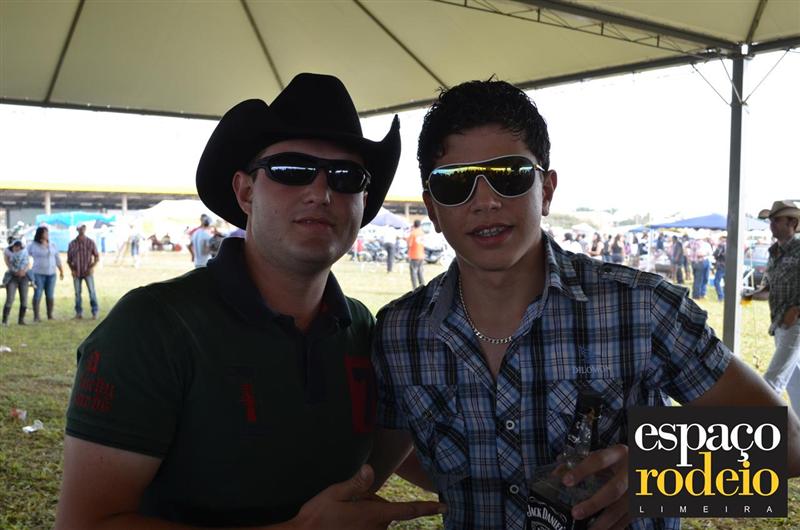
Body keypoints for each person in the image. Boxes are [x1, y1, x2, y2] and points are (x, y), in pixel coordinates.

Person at [368, 79, 800, 530]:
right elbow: (376, 460)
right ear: (432, 209)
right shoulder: (400, 333)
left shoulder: (643, 309)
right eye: (455, 183)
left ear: (547, 191)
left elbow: (788, 444)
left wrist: (661, 473)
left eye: (510, 175)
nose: (486, 201)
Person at [55, 73, 443, 530]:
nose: (321, 193)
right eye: (291, 170)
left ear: (362, 200)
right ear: (245, 192)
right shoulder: (153, 327)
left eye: (347, 177)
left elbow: (391, 447)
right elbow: (85, 523)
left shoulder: (361, 328)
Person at [748, 200, 800, 413]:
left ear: (793, 223)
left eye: (777, 220)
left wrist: (797, 309)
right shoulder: (774, 252)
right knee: (794, 381)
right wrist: (753, 295)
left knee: (772, 381)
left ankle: (752, 425)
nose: (772, 225)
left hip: (796, 324)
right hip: (779, 324)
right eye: (771, 220)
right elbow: (769, 288)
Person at [28, 226, 65, 321]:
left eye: (47, 233)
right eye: (45, 233)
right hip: (38, 273)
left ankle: (50, 315)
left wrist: (61, 270)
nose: (47, 235)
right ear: (40, 234)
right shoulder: (33, 245)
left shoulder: (52, 244)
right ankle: (36, 316)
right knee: (38, 293)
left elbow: (57, 258)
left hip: (51, 273)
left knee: (50, 294)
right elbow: (25, 255)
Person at [66, 224, 100, 320]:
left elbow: (96, 256)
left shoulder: (90, 242)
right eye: (80, 228)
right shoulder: (72, 244)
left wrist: (92, 267)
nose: (82, 230)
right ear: (77, 230)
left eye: (83, 228)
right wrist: (72, 270)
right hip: (77, 272)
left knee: (92, 292)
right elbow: (69, 260)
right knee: (77, 293)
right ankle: (78, 312)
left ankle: (95, 312)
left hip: (87, 271)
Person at [2, 240, 31, 325]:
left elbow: (28, 263)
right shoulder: (8, 252)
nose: (17, 248)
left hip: (24, 277)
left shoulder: (24, 252)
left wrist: (23, 271)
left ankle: (21, 320)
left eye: (18, 247)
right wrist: (14, 271)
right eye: (15, 247)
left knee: (24, 299)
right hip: (12, 277)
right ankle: (4, 320)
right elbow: (8, 263)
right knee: (10, 299)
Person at [407, 219, 425, 289]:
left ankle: (414, 288)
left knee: (413, 272)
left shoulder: (413, 233)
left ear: (414, 225)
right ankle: (422, 286)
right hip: (421, 255)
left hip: (414, 255)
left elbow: (409, 244)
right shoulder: (422, 232)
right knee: (420, 271)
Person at [712, 234, 726, 301]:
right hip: (730, 266)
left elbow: (716, 254)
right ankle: (725, 296)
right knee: (728, 283)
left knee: (716, 282)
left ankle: (721, 296)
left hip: (721, 265)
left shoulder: (721, 245)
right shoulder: (732, 245)